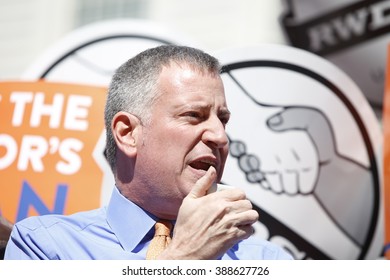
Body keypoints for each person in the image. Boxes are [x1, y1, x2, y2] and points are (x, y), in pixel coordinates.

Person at [5, 45, 292, 260]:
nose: (219, 136)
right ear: (128, 133)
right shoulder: (43, 246)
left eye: (223, 119)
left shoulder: (267, 259)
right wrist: (185, 258)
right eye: (194, 115)